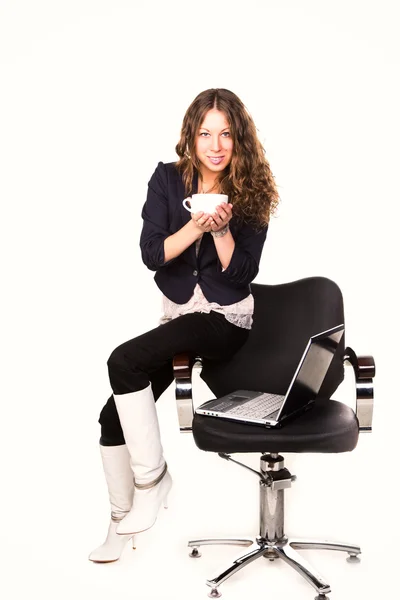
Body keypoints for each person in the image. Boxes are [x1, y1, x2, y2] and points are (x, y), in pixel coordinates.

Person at [89, 88, 279, 563]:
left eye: (226, 134)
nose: (216, 145)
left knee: (122, 359)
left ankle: (153, 483)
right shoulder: (166, 181)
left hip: (225, 321)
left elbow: (242, 274)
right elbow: (152, 254)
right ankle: (120, 520)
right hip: (178, 312)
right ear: (191, 136)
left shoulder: (252, 190)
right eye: (205, 133)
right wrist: (197, 224)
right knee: (111, 416)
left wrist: (221, 232)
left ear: (240, 139)